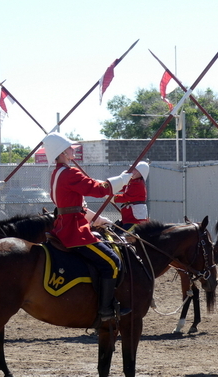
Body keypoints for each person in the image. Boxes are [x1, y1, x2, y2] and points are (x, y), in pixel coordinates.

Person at [43, 132, 132, 322]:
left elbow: (79, 200)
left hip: (65, 225)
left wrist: (98, 219)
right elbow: (98, 190)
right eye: (69, 148)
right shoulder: (70, 173)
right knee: (111, 262)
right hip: (74, 231)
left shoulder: (57, 173)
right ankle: (105, 310)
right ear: (62, 152)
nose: (72, 149)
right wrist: (122, 180)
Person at [113, 161, 149, 232]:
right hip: (129, 218)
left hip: (135, 220)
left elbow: (125, 197)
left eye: (134, 169)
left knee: (122, 235)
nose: (132, 171)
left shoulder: (138, 184)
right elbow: (121, 187)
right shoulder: (132, 182)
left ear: (140, 173)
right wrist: (109, 186)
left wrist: (112, 198)